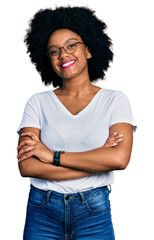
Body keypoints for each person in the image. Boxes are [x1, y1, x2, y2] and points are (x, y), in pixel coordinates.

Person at [17, 6, 137, 240]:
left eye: (71, 45)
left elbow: (118, 160)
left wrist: (52, 156)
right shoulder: (37, 103)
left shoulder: (114, 100)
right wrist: (97, 159)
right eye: (54, 51)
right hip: (42, 211)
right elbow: (28, 167)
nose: (63, 55)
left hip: (93, 212)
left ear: (89, 49)